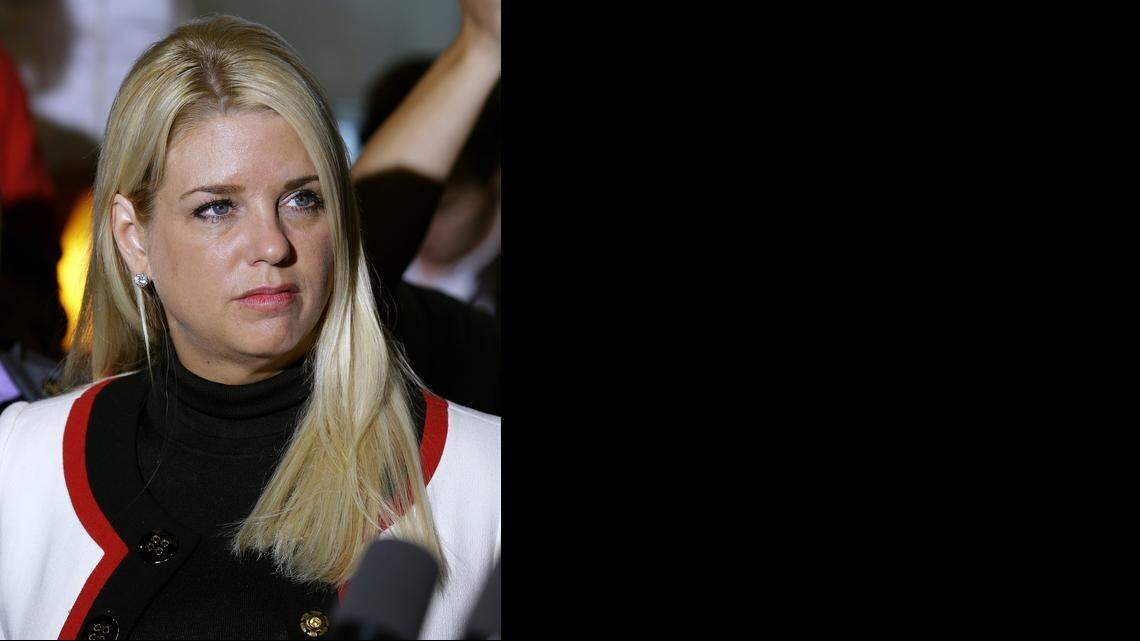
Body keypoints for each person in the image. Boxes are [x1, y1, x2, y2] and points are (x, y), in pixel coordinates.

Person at [0, 9, 500, 640]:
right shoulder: (19, 466)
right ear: (133, 238)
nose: (272, 244)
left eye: (302, 199)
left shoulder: (484, 478)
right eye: (217, 208)